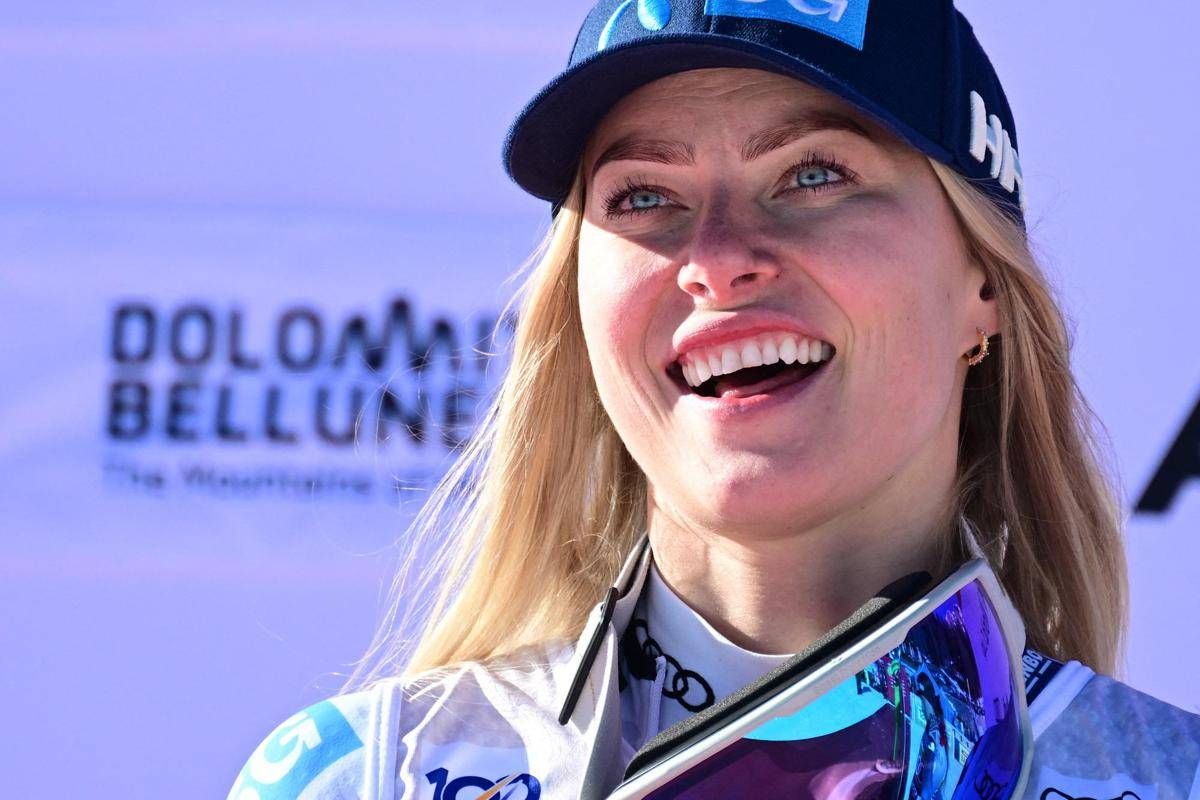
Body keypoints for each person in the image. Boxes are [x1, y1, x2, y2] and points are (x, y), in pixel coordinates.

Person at [226, 2, 1200, 798]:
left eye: (813, 174)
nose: (720, 258)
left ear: (981, 284)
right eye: (644, 196)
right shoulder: (364, 776)